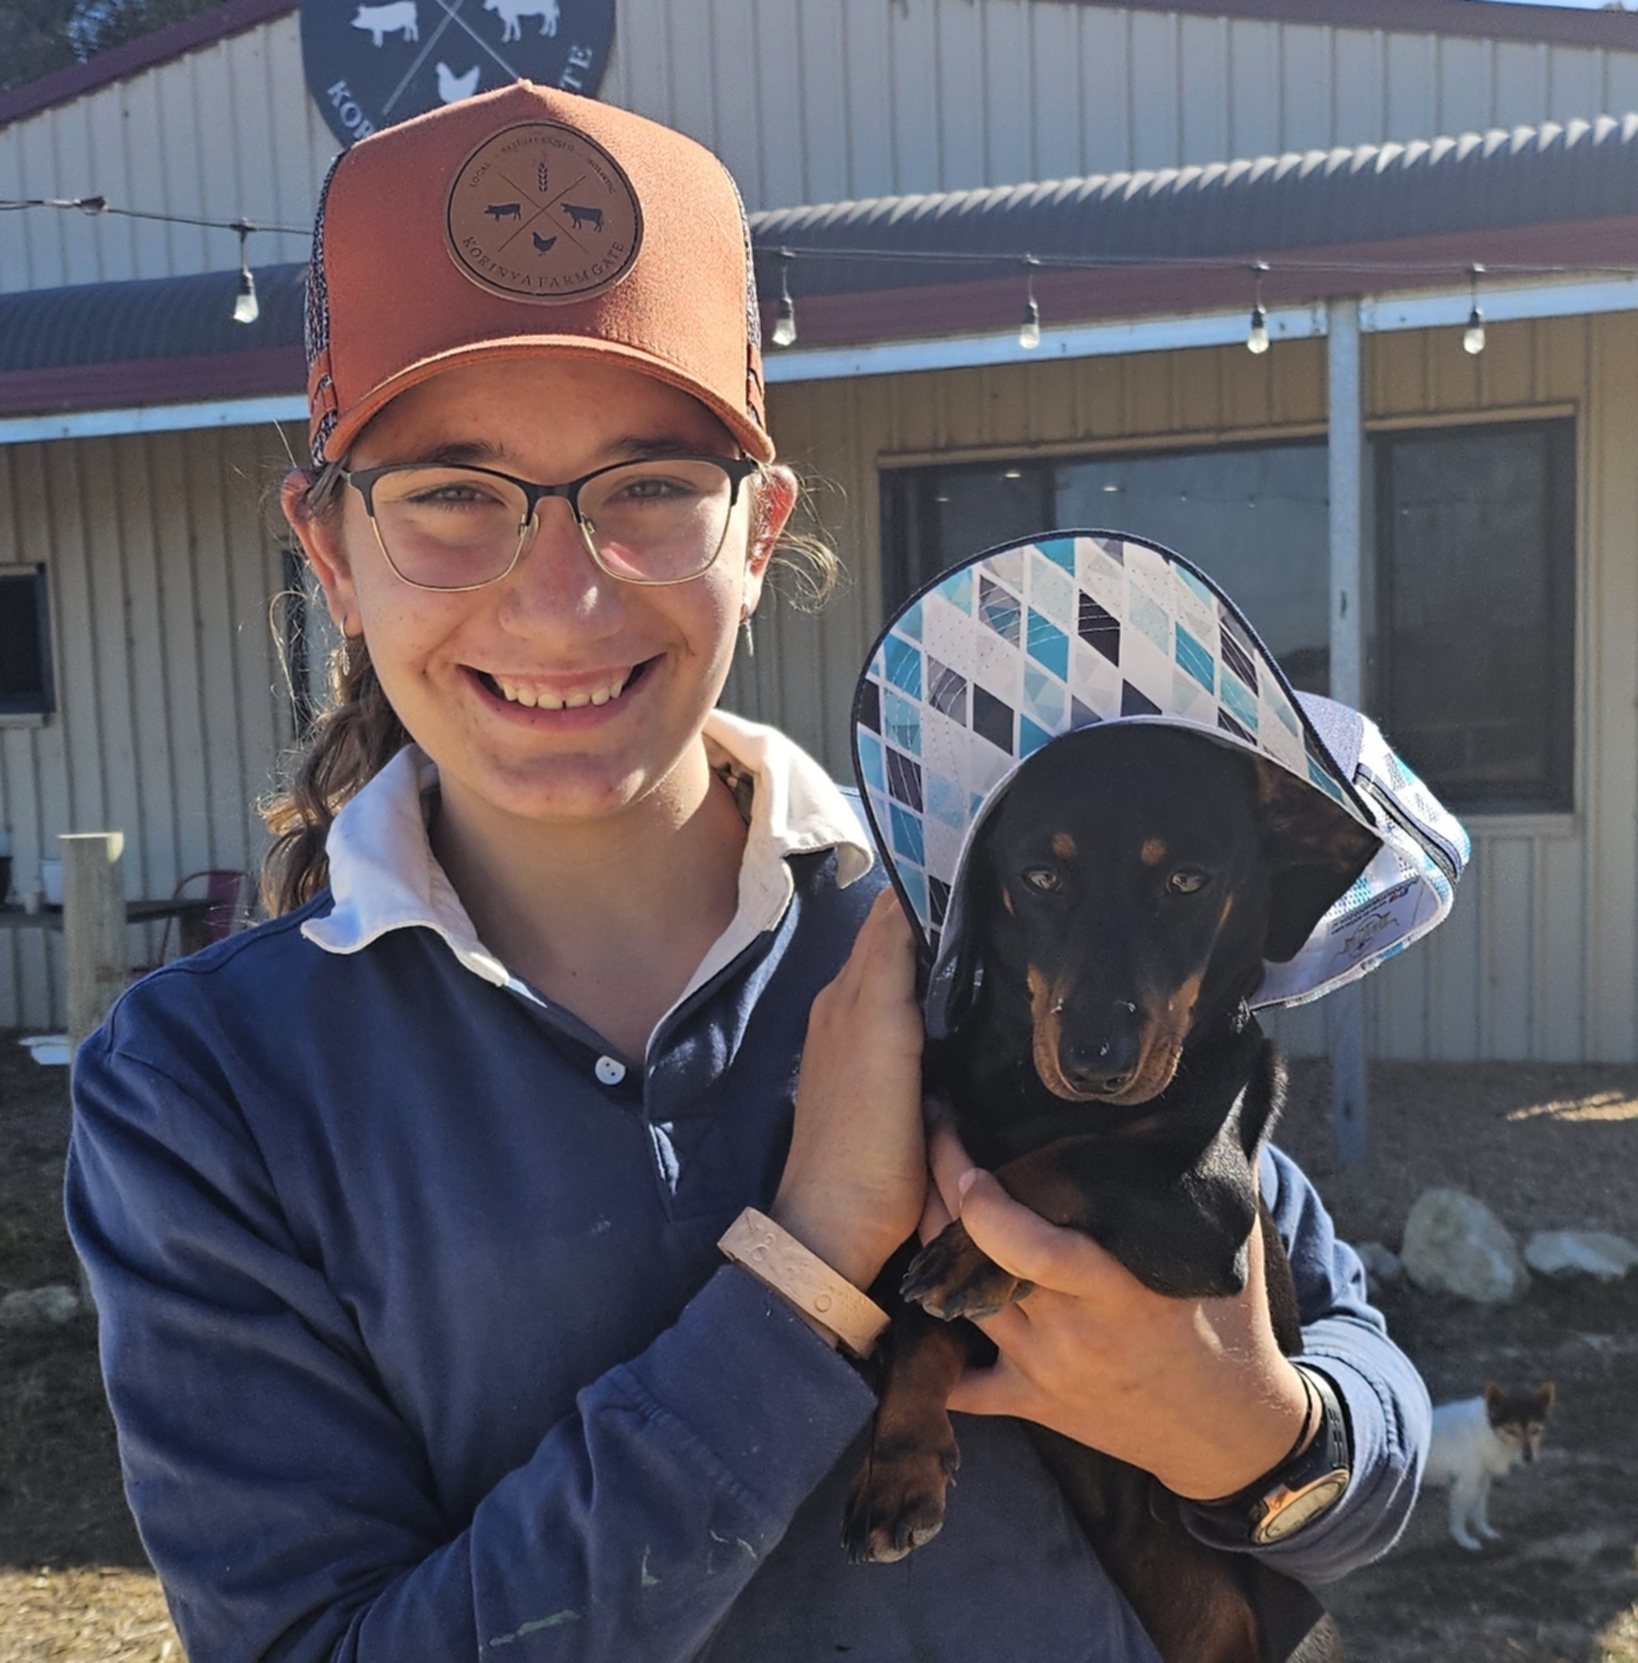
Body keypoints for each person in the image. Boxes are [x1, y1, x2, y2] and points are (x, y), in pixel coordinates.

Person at [66, 82, 1427, 1663]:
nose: (562, 599)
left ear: (759, 527)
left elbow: (1361, 1412)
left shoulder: (958, 899)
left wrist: (1257, 1438)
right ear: (331, 552)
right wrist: (806, 1263)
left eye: (649, 489)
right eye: (452, 496)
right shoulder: (209, 1083)